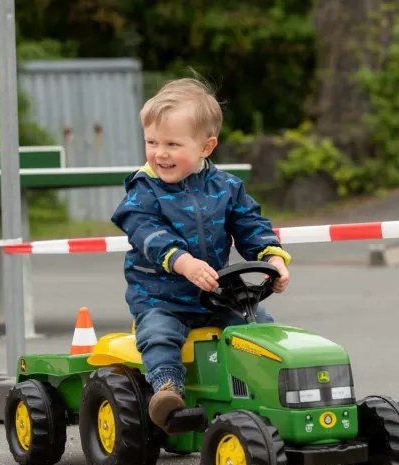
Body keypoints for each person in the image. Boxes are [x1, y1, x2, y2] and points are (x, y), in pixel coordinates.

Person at [111, 78, 291, 432]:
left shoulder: (226, 187)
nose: (160, 153)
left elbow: (251, 224)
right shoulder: (143, 190)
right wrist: (184, 262)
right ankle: (166, 389)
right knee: (159, 334)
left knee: (262, 329)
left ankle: (274, 392)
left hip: (215, 295)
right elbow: (147, 233)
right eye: (152, 142)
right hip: (160, 297)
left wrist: (274, 260)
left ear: (206, 147)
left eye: (172, 144)